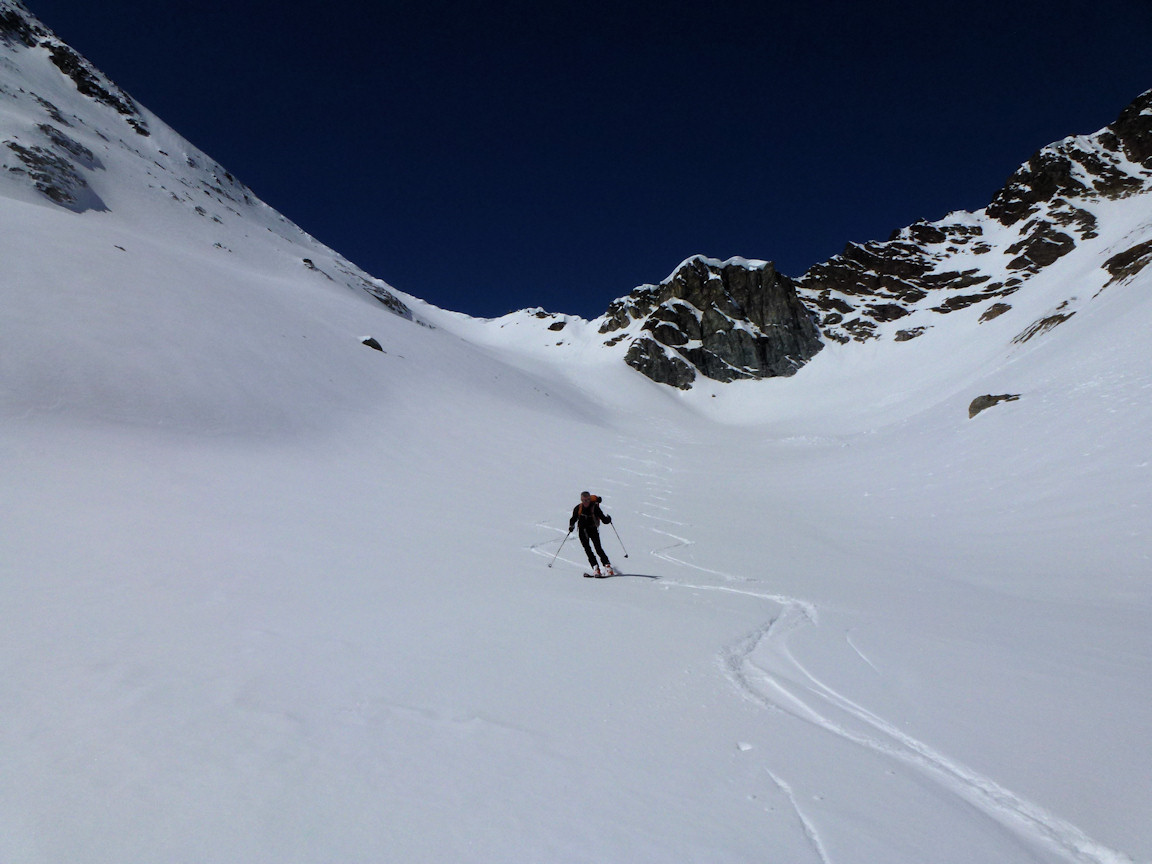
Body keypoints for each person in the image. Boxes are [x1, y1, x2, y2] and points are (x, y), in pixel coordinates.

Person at [569, 491, 614, 576]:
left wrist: (608, 519)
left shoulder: (595, 508)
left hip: (593, 530)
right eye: (584, 500)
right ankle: (595, 567)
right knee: (588, 549)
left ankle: (607, 566)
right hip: (582, 531)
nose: (586, 502)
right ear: (581, 500)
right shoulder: (578, 508)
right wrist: (571, 526)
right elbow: (573, 519)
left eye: (588, 500)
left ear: (590, 499)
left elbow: (603, 519)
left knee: (598, 548)